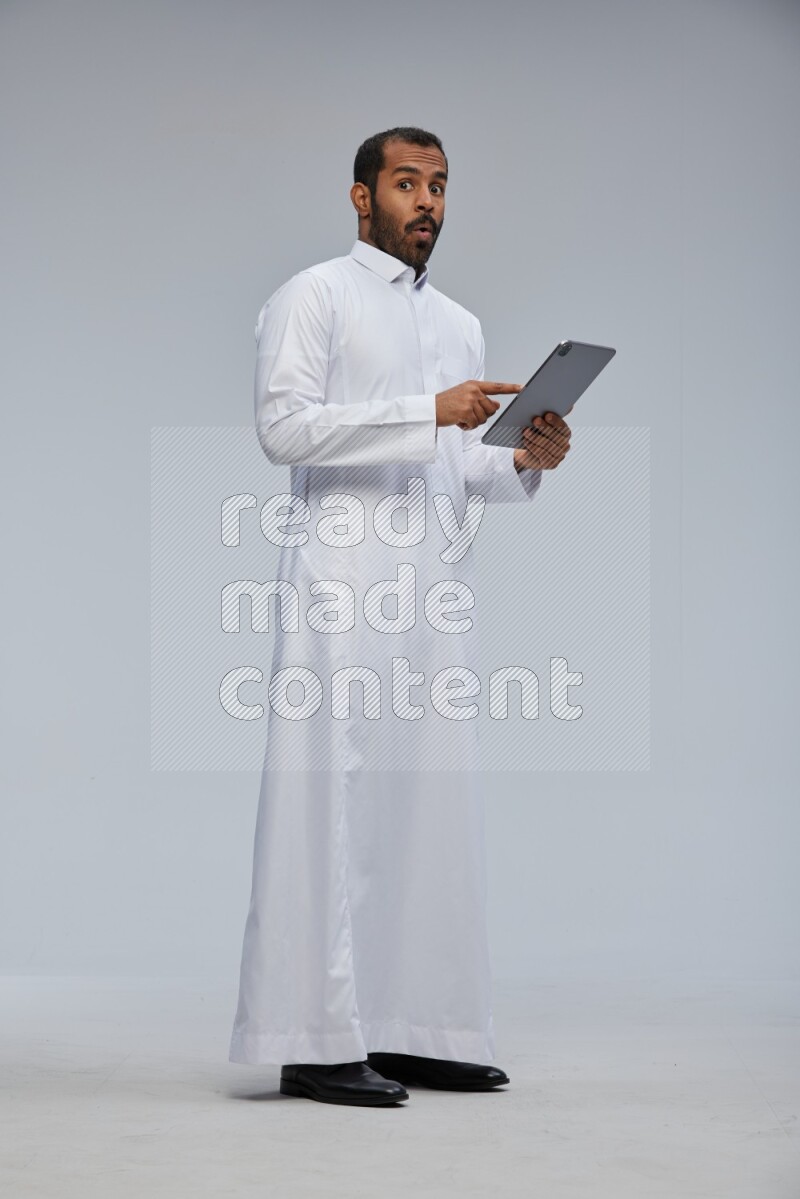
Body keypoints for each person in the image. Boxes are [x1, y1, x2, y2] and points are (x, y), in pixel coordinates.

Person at [229, 126, 571, 1106]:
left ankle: (415, 1023)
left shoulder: (456, 323)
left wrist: (518, 456)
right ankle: (314, 1033)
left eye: (439, 186)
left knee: (425, 801)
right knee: (328, 799)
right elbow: (282, 426)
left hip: (428, 582)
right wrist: (430, 409)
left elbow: (457, 466)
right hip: (340, 578)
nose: (425, 202)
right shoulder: (314, 295)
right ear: (359, 195)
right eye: (406, 182)